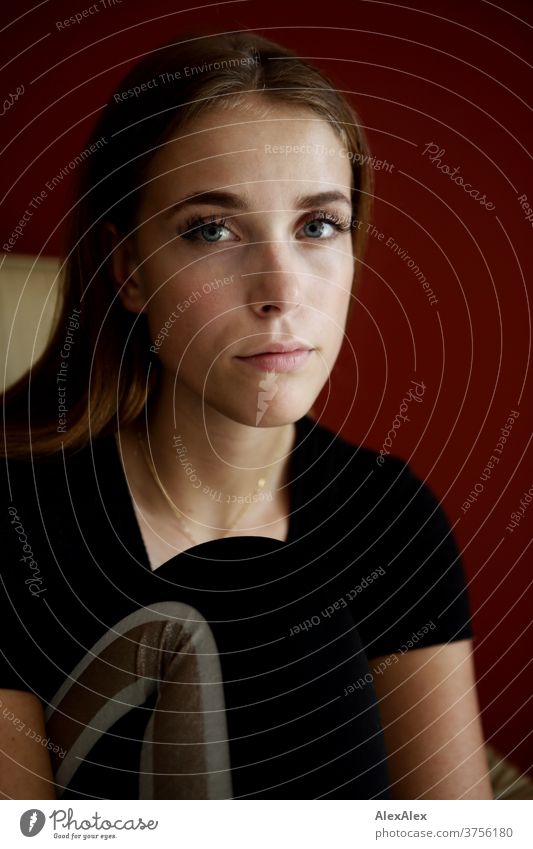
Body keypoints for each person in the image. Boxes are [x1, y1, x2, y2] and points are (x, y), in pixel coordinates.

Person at [0, 31, 492, 800]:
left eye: (318, 225)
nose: (280, 290)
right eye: (212, 230)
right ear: (128, 269)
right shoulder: (15, 525)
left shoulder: (391, 517)